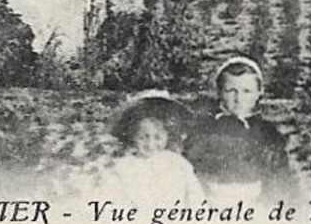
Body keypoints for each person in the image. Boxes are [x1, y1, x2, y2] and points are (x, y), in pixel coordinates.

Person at [182, 56, 295, 202]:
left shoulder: (267, 132)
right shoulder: (204, 129)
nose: (238, 98)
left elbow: (279, 177)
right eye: (231, 91)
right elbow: (188, 170)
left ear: (259, 92)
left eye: (247, 91)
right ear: (219, 92)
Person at [94, 91, 204, 207]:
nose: (150, 144)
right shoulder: (123, 167)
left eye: (158, 137)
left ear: (167, 136)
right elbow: (113, 202)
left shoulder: (178, 164)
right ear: (133, 136)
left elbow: (196, 199)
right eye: (143, 137)